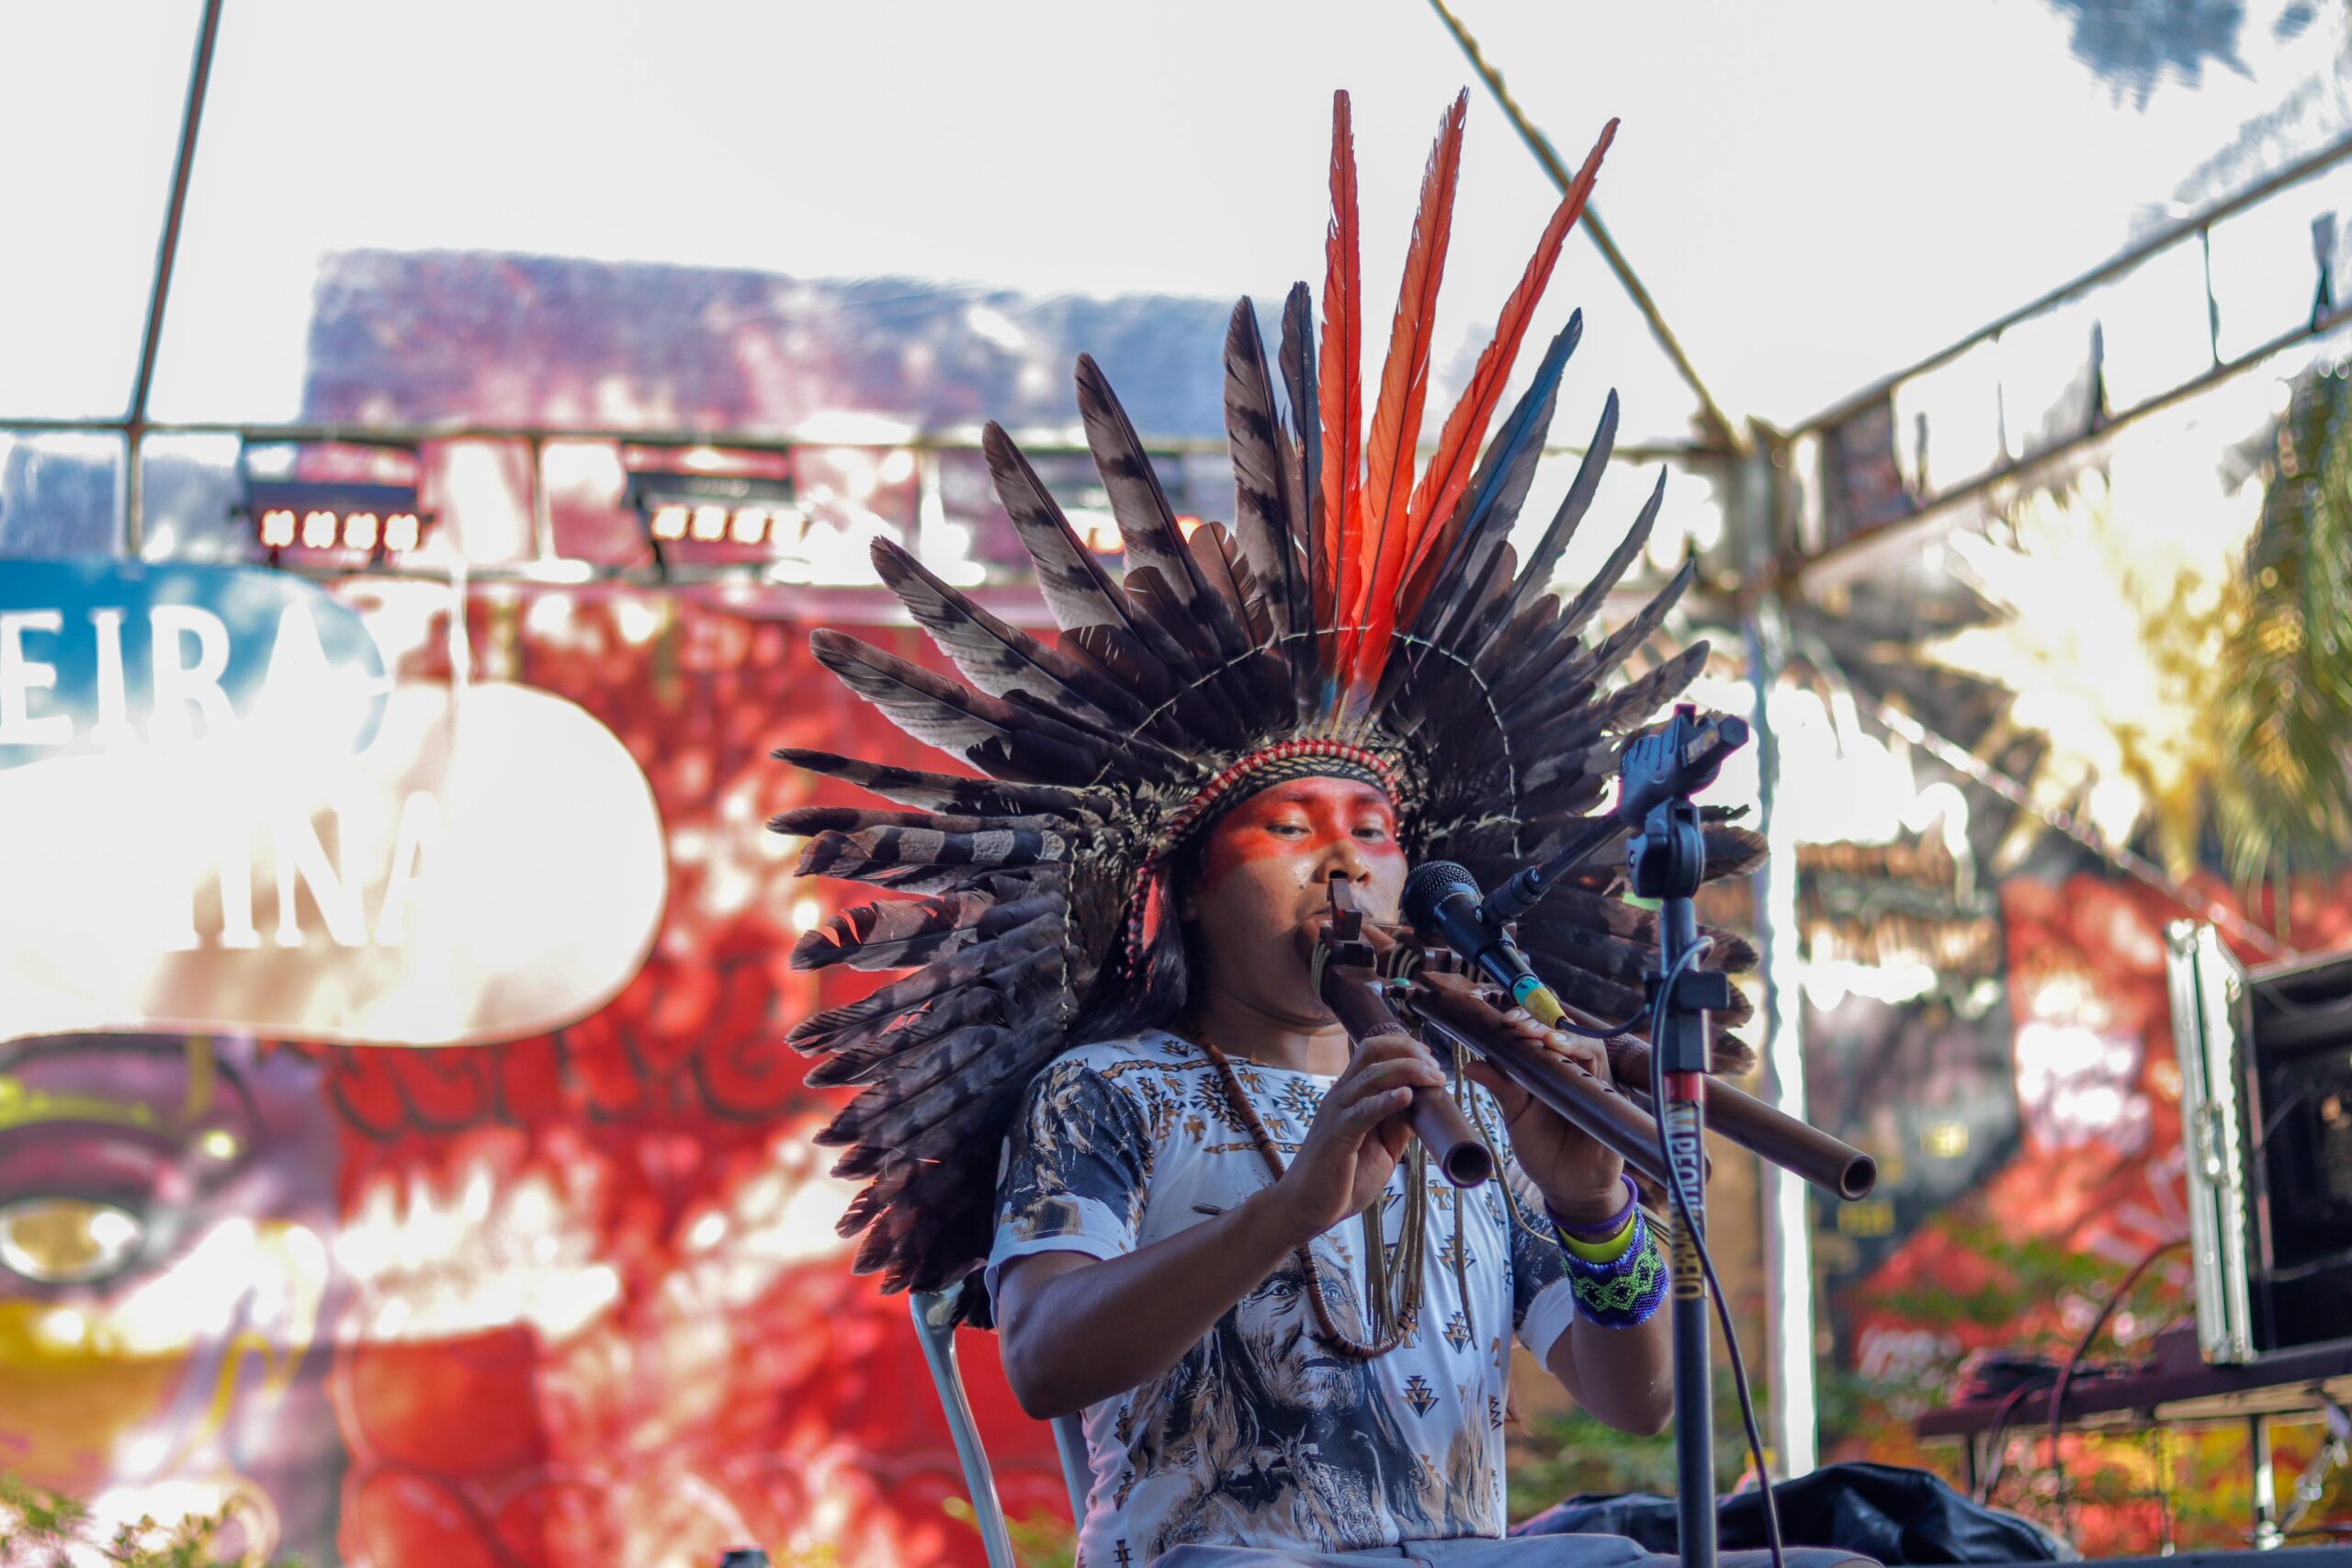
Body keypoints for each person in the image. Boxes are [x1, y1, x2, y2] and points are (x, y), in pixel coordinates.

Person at [773, 88, 1877, 1568]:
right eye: (1290, 825)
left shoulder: (1471, 1106)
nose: (1346, 856)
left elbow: (1637, 1398)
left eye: (1372, 825)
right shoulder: (1112, 1093)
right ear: (1187, 887)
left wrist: (1595, 1203)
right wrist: (1291, 1206)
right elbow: (1041, 1356)